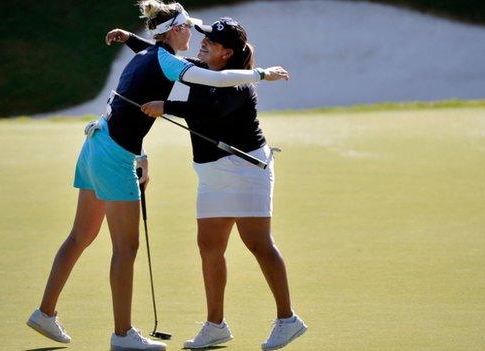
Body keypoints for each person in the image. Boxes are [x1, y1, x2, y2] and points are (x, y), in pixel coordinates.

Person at [26, 1, 289, 350]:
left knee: (80, 236)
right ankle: (123, 336)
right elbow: (216, 79)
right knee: (125, 247)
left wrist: (142, 153)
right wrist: (262, 74)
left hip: (96, 145)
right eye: (188, 29)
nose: (193, 35)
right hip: (114, 155)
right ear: (175, 31)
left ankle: (45, 312)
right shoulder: (167, 60)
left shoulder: (145, 57)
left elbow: (141, 83)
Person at [117, 17, 307, 351]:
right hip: (211, 172)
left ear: (227, 54)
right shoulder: (201, 68)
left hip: (246, 168)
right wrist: (130, 39)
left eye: (212, 43)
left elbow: (208, 111)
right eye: (204, 38)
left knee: (258, 243)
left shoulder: (236, 84)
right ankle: (215, 325)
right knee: (209, 247)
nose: (203, 43)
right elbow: (159, 55)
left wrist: (167, 106)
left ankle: (287, 319)